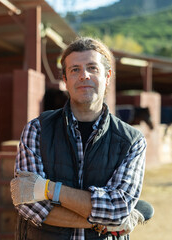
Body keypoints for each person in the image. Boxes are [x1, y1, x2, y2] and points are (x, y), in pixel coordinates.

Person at [10, 37, 148, 240]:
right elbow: (30, 205)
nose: (84, 75)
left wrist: (49, 189)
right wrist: (107, 225)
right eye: (75, 69)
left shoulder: (132, 141)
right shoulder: (37, 129)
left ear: (107, 76)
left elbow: (118, 207)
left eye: (92, 68)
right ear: (65, 80)